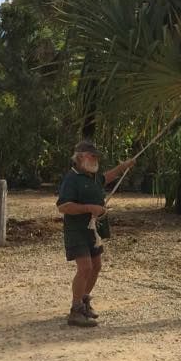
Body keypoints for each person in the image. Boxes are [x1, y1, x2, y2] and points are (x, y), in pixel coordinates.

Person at [56, 140, 136, 327]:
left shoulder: (92, 177)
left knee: (96, 266)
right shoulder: (72, 178)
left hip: (93, 231)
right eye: (92, 156)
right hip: (77, 231)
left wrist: (124, 166)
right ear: (81, 157)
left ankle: (84, 301)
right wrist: (90, 208)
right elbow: (63, 206)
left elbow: (106, 177)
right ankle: (75, 311)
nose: (95, 159)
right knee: (85, 268)